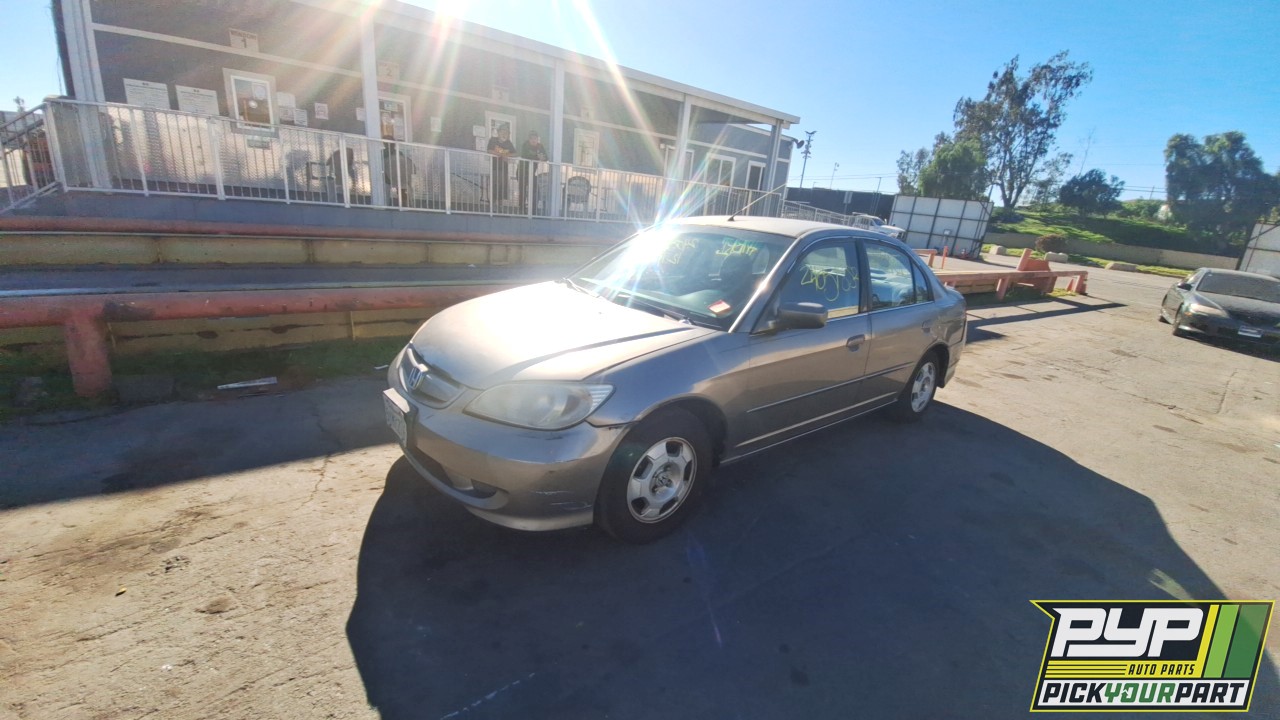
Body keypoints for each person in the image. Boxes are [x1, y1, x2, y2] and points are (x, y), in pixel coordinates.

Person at [518, 130, 548, 214]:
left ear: (537, 139)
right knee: (522, 190)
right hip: (522, 171)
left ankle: (533, 209)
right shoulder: (525, 144)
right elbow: (525, 155)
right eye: (532, 138)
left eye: (535, 138)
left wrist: (541, 157)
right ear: (529, 139)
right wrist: (537, 156)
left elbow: (546, 158)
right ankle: (522, 209)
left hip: (532, 173)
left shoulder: (540, 146)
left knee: (535, 190)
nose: (534, 140)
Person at [486, 124, 516, 204]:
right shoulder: (493, 140)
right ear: (498, 132)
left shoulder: (508, 143)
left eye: (506, 132)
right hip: (495, 168)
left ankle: (500, 206)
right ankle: (493, 206)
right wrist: (501, 154)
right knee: (494, 186)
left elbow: (514, 153)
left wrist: (506, 155)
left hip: (504, 169)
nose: (504, 134)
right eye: (502, 131)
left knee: (502, 188)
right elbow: (489, 150)